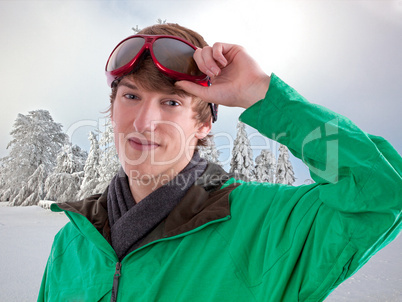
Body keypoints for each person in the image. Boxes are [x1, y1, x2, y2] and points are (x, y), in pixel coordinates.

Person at [38, 23, 402, 302]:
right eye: (131, 95)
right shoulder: (72, 241)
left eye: (172, 102)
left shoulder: (264, 225)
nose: (144, 121)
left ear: (204, 124)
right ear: (112, 108)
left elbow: (384, 193)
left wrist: (263, 93)